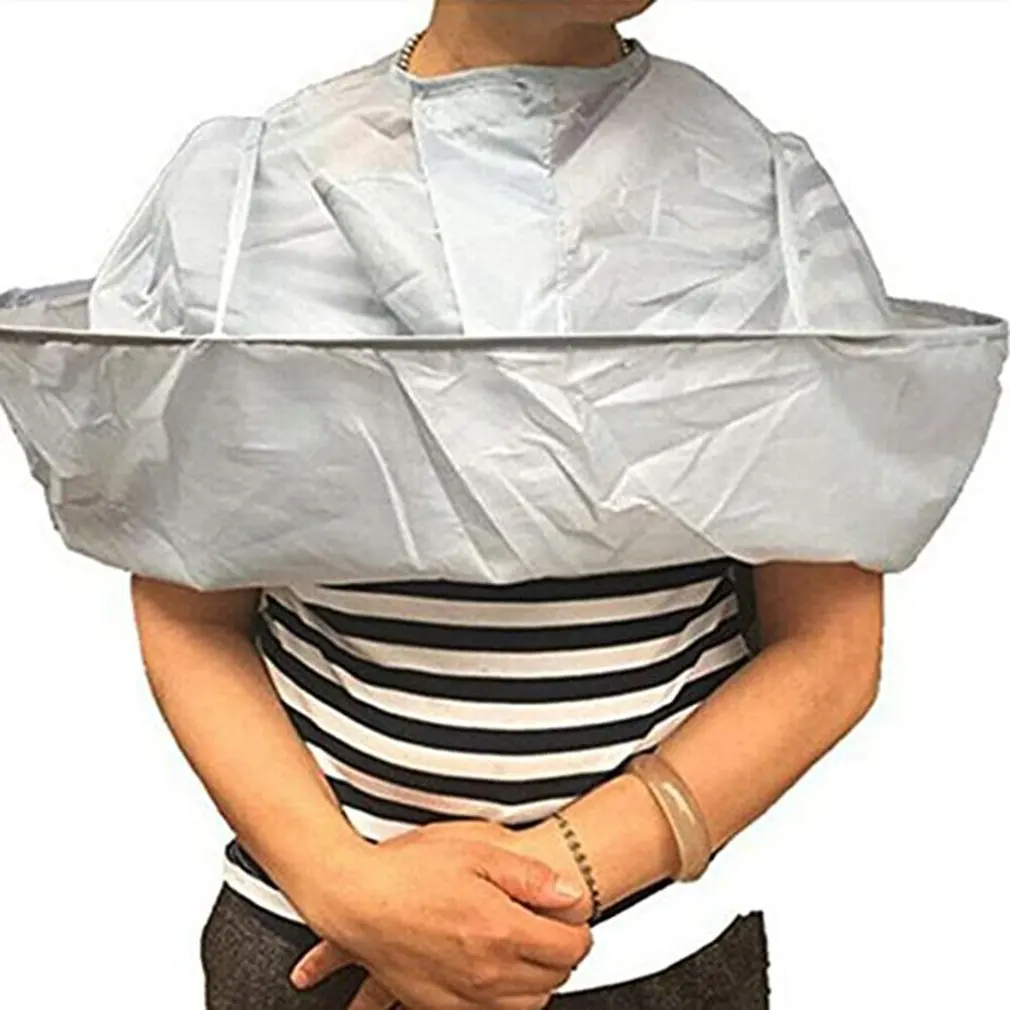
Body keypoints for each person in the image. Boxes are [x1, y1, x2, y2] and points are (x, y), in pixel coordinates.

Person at [99, 1, 886, 1007]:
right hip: (317, 943)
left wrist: (541, 885)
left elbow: (830, 643)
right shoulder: (258, 201)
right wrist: (346, 887)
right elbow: (189, 608)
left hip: (644, 953)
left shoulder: (756, 200)